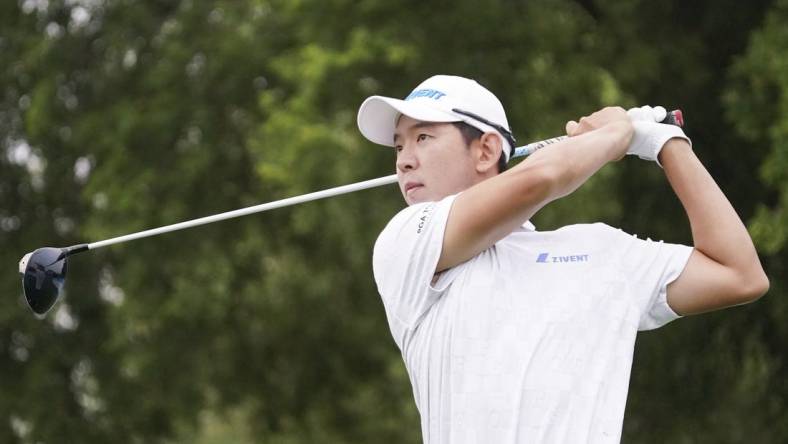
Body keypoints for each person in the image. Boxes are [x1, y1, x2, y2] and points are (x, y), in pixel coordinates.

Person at [356, 75, 769, 443]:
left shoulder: (601, 252)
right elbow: (539, 179)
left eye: (422, 138)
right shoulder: (408, 243)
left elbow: (738, 274)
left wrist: (665, 144)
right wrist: (615, 136)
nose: (404, 159)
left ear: (486, 151)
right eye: (398, 145)